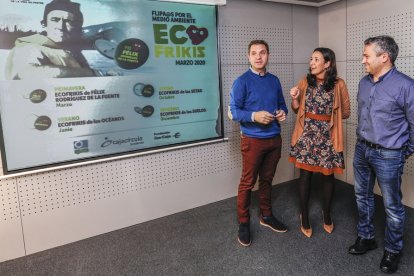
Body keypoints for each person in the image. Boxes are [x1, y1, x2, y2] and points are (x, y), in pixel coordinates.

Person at [348, 35, 414, 274]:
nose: (363, 60)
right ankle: (366, 237)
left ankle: (393, 250)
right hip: (362, 149)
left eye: (367, 55)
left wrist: (401, 151)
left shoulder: (407, 86)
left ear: (384, 57)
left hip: (389, 154)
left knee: (392, 205)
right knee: (362, 196)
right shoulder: (364, 83)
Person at [229, 39, 288, 247]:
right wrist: (254, 116)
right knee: (247, 182)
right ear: (248, 56)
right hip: (253, 140)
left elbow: (282, 104)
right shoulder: (242, 81)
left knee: (267, 180)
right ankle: (243, 222)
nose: (258, 56)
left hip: (274, 138)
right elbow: (234, 112)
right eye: (254, 53)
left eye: (262, 52)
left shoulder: (274, 80)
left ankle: (266, 215)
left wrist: (283, 112)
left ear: (268, 55)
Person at [289, 48, 350, 238]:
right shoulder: (305, 81)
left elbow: (346, 112)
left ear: (327, 63)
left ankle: (326, 213)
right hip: (306, 135)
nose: (312, 63)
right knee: (305, 177)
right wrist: (294, 99)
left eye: (316, 59)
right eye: (311, 59)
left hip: (328, 136)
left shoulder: (339, 84)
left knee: (328, 177)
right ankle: (304, 216)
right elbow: (295, 109)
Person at [5, 0, 101, 79]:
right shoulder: (28, 47)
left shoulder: (71, 52)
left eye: (67, 21)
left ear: (74, 26)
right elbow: (26, 74)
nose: (60, 26)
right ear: (44, 24)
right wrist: (90, 73)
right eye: (55, 20)